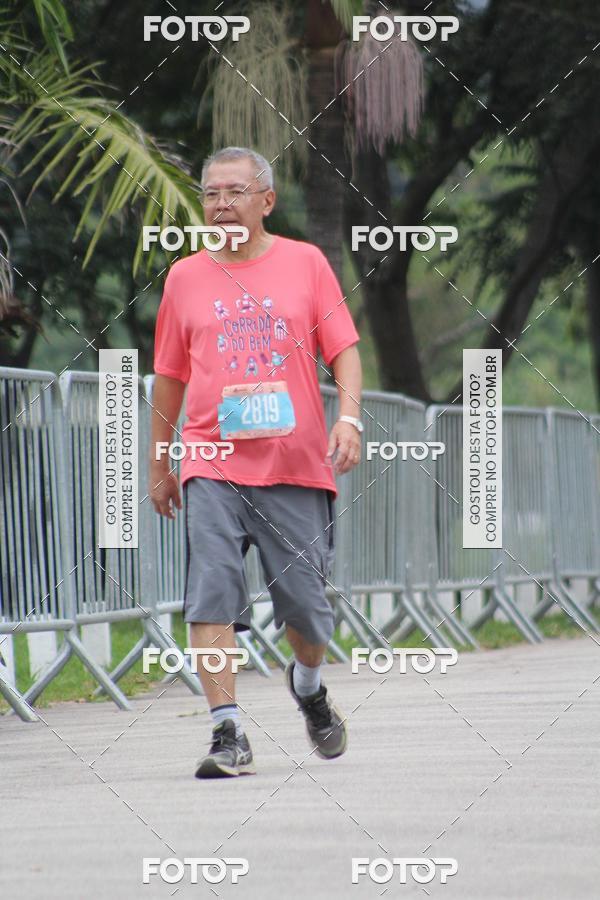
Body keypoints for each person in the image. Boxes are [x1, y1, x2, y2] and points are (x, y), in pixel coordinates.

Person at [149, 146, 363, 778]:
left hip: (294, 464)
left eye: (235, 191)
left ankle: (308, 686)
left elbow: (344, 350)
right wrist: (161, 462)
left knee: (306, 610)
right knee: (210, 596)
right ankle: (227, 733)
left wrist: (348, 419)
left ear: (266, 201)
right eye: (212, 193)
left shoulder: (306, 264)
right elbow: (169, 378)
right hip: (210, 462)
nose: (222, 203)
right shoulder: (185, 277)